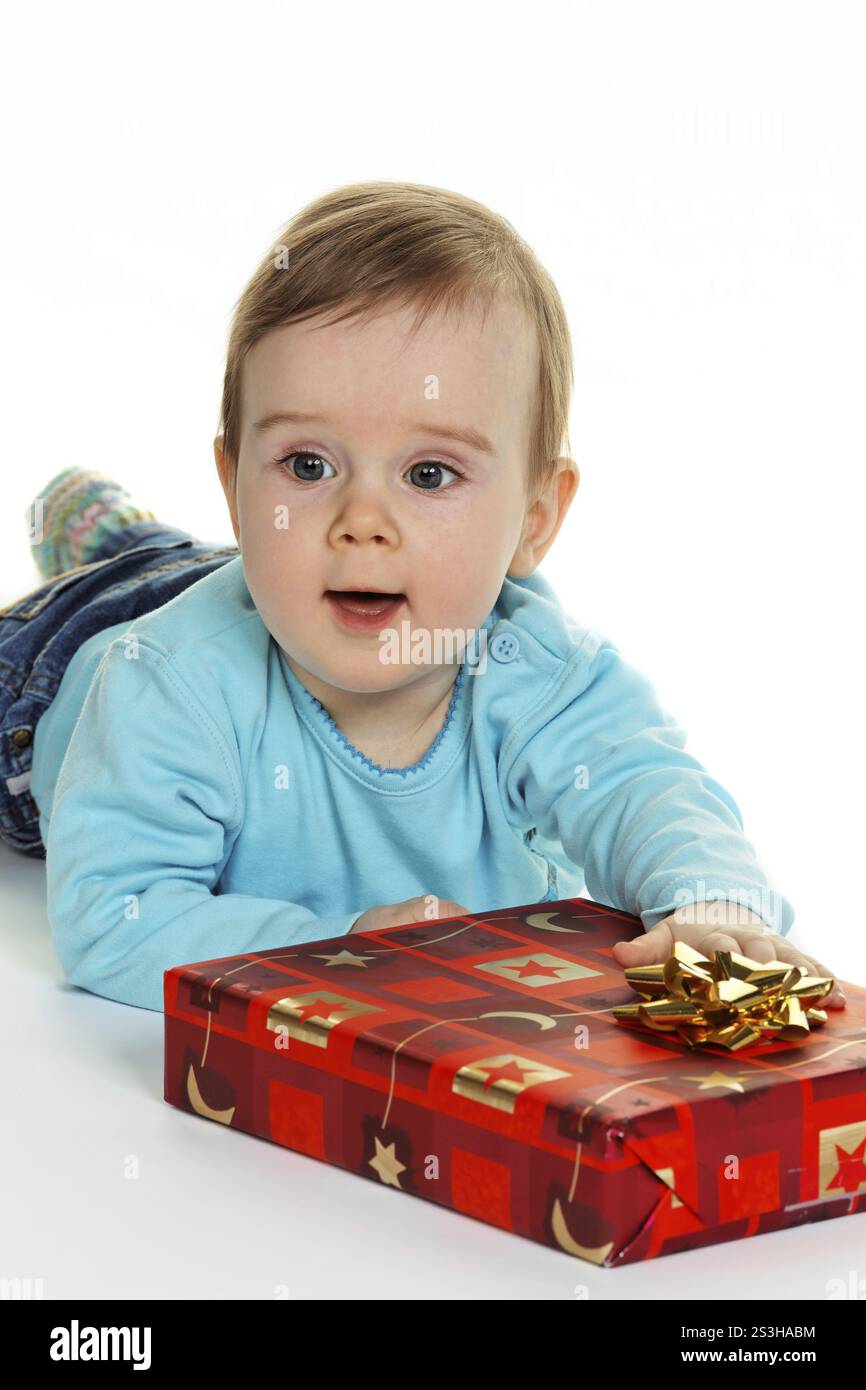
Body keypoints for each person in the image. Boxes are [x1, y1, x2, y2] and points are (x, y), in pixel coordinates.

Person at [0, 180, 845, 1013]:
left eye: (429, 474)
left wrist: (711, 904)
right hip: (58, 672)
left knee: (220, 564)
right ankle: (111, 548)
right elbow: (114, 920)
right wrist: (340, 950)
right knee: (142, 596)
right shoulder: (166, 688)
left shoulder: (532, 670)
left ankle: (119, 534)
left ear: (535, 519)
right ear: (234, 480)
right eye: (307, 465)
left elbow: (647, 787)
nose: (362, 520)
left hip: (276, 582)